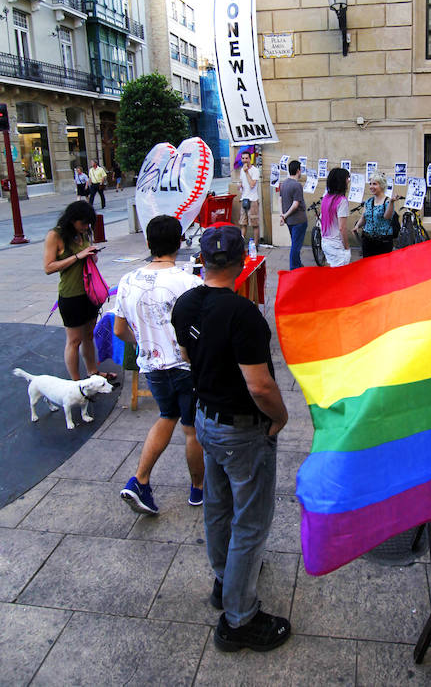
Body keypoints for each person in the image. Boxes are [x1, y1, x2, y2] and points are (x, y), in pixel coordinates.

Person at [172, 225, 290, 653]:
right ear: (243, 263)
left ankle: (225, 581)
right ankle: (239, 619)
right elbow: (259, 386)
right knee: (252, 520)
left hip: (206, 419)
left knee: (219, 507)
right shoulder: (243, 316)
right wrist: (280, 417)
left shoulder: (185, 304)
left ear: (203, 262)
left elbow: (188, 356)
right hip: (241, 429)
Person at [114, 215, 204, 515]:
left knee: (166, 416)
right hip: (186, 367)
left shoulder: (127, 281)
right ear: (180, 242)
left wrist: (142, 342)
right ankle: (198, 489)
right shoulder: (190, 282)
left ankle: (140, 480)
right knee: (191, 429)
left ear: (148, 243)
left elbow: (118, 330)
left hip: (152, 367)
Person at [43, 201, 117, 383]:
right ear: (72, 220)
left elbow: (88, 260)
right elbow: (48, 267)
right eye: (83, 223)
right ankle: (76, 383)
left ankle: (92, 372)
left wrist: (92, 255)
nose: (86, 227)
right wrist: (77, 256)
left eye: (88, 224)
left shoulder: (83, 234)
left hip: (89, 293)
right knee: (74, 340)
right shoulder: (56, 235)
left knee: (89, 336)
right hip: (71, 295)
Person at [353, 173, 396, 257]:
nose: (371, 187)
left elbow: (387, 217)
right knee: (368, 267)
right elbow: (364, 217)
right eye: (370, 184)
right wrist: (357, 226)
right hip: (367, 240)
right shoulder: (368, 202)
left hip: (383, 241)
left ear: (382, 186)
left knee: (381, 268)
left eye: (374, 184)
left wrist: (391, 202)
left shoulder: (387, 202)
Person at [320, 167, 351, 267]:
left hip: (325, 242)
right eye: (347, 178)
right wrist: (347, 247)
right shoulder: (342, 201)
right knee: (340, 278)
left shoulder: (326, 198)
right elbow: (342, 228)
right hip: (336, 245)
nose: (348, 181)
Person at [280, 159, 307, 270]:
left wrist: (283, 215)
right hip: (298, 220)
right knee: (296, 246)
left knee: (295, 243)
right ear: (297, 170)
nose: (301, 172)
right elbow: (296, 204)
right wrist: (285, 215)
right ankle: (294, 268)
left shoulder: (284, 184)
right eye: (300, 170)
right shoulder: (297, 185)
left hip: (290, 221)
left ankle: (298, 264)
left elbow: (280, 199)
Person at [238, 150, 260, 247]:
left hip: (253, 200)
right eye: (243, 158)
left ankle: (255, 245)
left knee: (254, 224)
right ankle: (241, 244)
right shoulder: (241, 170)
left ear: (250, 159)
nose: (244, 160)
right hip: (244, 199)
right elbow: (243, 184)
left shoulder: (255, 170)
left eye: (246, 158)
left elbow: (252, 184)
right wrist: (240, 186)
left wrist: (247, 172)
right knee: (243, 223)